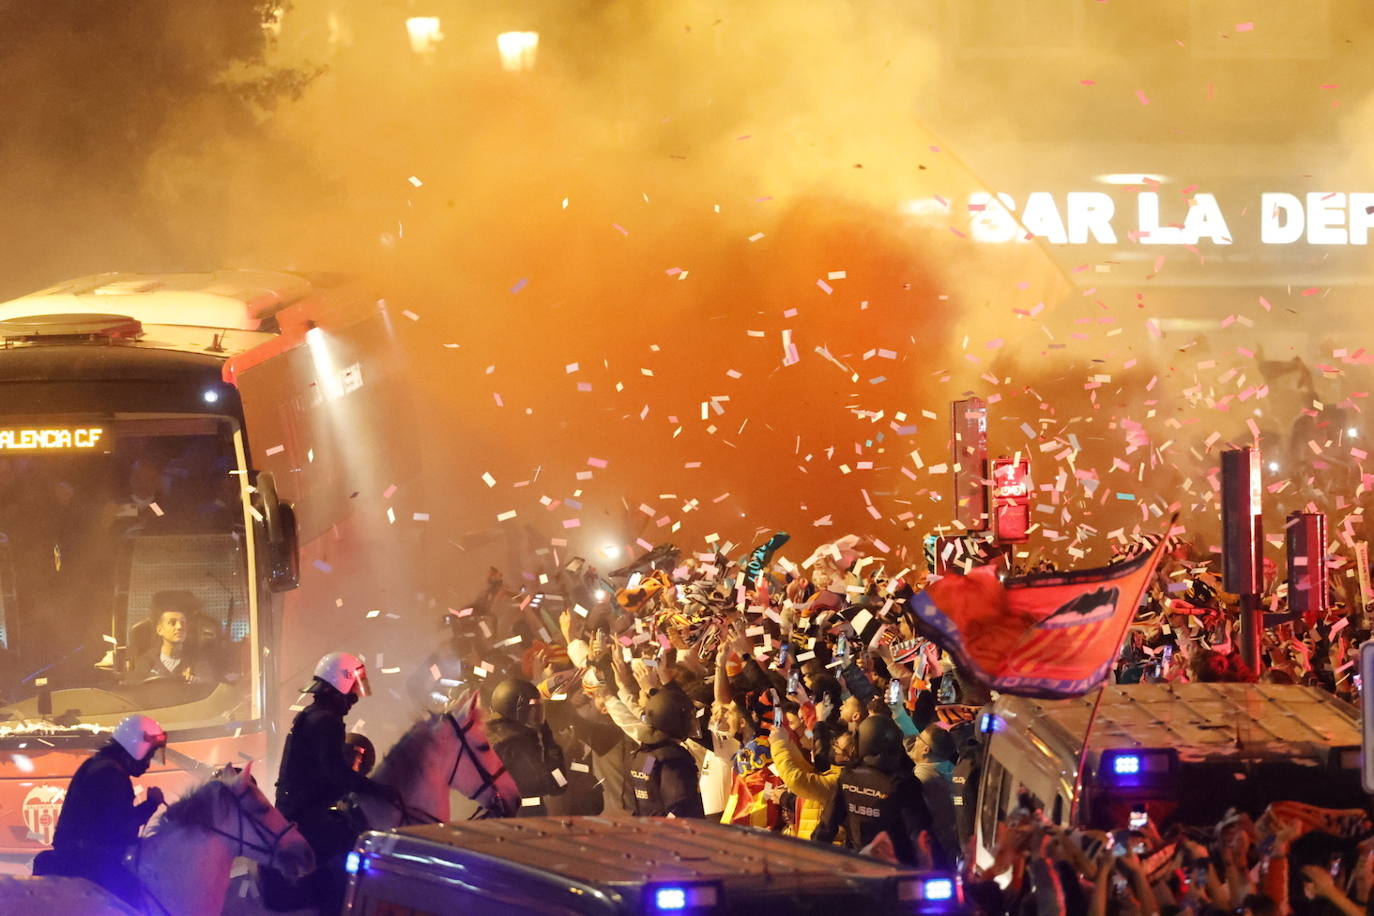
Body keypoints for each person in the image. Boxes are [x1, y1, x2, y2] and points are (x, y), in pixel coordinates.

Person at [33, 714, 167, 907]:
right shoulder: (110, 775)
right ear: (137, 748)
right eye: (149, 754)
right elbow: (117, 826)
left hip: (80, 856)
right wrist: (151, 804)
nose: (148, 763)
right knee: (137, 898)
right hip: (89, 863)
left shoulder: (100, 765)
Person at [275, 652, 392, 862]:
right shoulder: (326, 721)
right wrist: (379, 790)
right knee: (357, 847)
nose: (354, 700)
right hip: (308, 815)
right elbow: (337, 774)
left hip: (293, 809)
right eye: (352, 693)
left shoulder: (311, 713)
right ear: (339, 688)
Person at [812, 715, 937, 867]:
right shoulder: (903, 783)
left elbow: (827, 825)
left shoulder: (848, 776)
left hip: (858, 862)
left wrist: (812, 862)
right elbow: (920, 832)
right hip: (897, 867)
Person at [486, 677, 568, 816]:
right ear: (518, 710)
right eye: (533, 709)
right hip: (524, 819)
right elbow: (558, 785)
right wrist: (552, 748)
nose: (538, 716)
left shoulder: (493, 736)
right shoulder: (516, 744)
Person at [630, 683, 705, 818]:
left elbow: (649, 782)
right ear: (677, 722)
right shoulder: (674, 760)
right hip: (676, 835)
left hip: (649, 831)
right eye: (689, 716)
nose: (693, 721)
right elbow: (679, 806)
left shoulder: (646, 755)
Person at [130, 600, 215, 684]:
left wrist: (196, 682)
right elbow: (135, 690)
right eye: (172, 623)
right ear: (160, 630)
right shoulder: (146, 662)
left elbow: (209, 686)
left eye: (182, 623)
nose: (179, 627)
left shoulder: (197, 661)